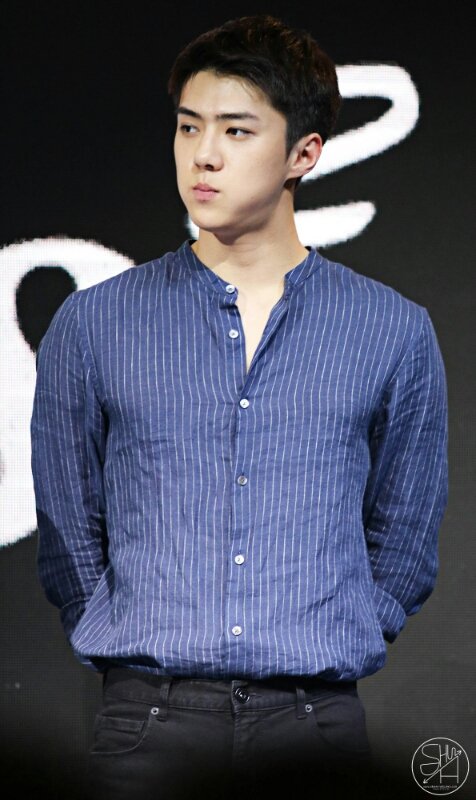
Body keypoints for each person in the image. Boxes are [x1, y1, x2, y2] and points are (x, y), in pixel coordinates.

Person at [30, 14, 448, 800]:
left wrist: (337, 629)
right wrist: (119, 635)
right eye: (189, 127)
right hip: (148, 719)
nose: (204, 155)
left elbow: (403, 535)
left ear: (304, 153)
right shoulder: (95, 322)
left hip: (315, 720)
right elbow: (68, 524)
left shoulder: (390, 329)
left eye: (236, 130)